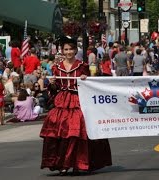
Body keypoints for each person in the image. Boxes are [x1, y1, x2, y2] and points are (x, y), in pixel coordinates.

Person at [39, 36, 112, 175]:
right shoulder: (56, 68)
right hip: (62, 100)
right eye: (66, 49)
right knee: (59, 129)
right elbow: (54, 89)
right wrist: (53, 83)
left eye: (71, 49)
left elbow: (91, 85)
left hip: (79, 99)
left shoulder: (82, 66)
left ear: (75, 50)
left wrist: (86, 79)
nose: (68, 52)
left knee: (79, 130)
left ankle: (79, 162)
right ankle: (63, 163)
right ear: (62, 51)